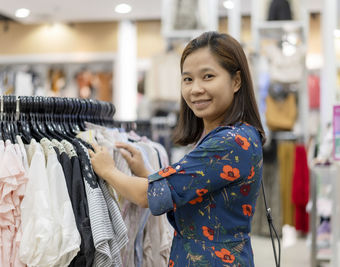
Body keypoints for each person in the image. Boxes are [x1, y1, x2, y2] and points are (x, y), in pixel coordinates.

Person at [88, 31, 265, 266]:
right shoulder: (230, 135)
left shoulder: (230, 142)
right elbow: (190, 190)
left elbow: (145, 196)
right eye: (188, 79)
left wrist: (108, 170)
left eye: (208, 76)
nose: (195, 89)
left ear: (236, 81)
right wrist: (147, 170)